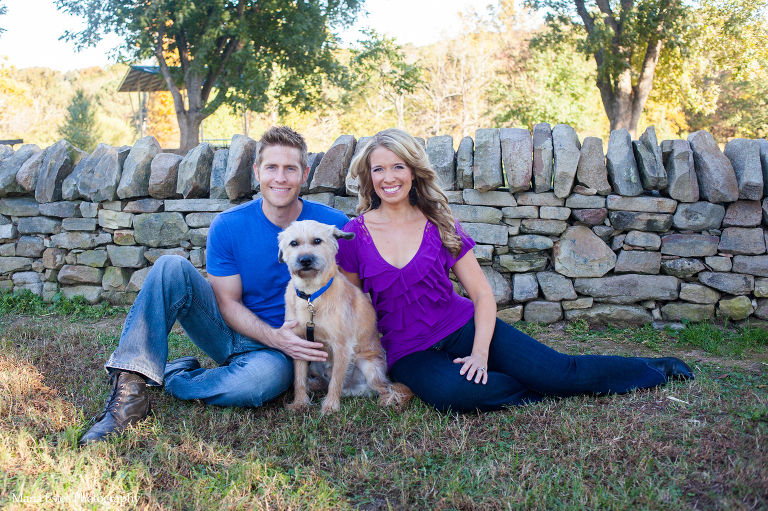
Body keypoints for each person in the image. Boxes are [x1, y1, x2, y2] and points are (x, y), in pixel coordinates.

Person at [337, 128, 693, 413]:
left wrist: (479, 353)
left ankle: (654, 368)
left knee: (559, 372)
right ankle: (530, 383)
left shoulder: (438, 225)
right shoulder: (355, 235)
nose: (389, 177)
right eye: (379, 168)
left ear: (413, 172)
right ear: (369, 176)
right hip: (410, 351)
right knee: (457, 394)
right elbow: (355, 307)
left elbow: (481, 294)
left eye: (398, 166)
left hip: (463, 326)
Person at [79, 126, 348, 445]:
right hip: (232, 331)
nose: (280, 178)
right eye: (271, 167)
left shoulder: (332, 225)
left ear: (304, 174)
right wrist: (273, 336)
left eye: (290, 168)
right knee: (170, 266)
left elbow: (349, 298)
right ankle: (130, 393)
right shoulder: (229, 225)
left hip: (282, 355)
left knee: (257, 385)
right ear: (256, 172)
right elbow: (227, 302)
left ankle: (174, 377)